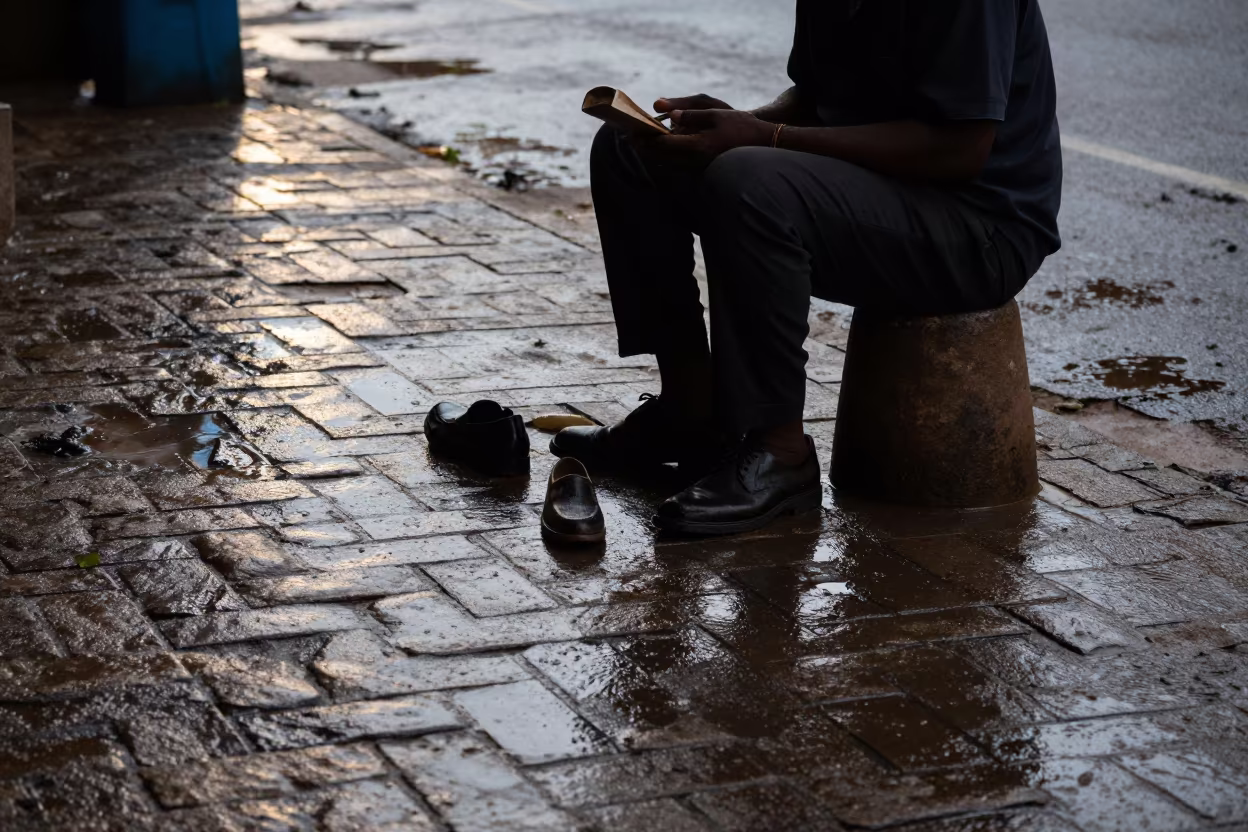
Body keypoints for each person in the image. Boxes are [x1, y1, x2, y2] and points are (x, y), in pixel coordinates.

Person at [552, 0, 1063, 536]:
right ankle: (689, 412)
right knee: (630, 150)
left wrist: (763, 139)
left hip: (980, 227)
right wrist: (744, 123)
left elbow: (959, 148)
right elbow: (817, 100)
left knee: (748, 182)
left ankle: (781, 452)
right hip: (881, 193)